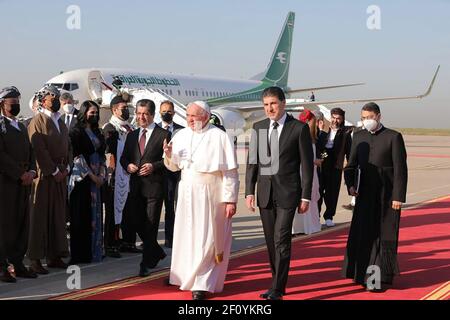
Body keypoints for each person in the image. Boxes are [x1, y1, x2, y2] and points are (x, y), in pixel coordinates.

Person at [163, 100, 239, 300]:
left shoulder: (220, 136)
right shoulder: (180, 135)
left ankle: (202, 283)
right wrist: (169, 156)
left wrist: (230, 200)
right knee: (186, 236)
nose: (189, 119)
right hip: (187, 191)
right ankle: (184, 276)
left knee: (207, 239)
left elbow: (230, 173)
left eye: (193, 116)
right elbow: (174, 167)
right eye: (187, 115)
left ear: (205, 116)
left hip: (210, 193)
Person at [245, 87, 314, 300]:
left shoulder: (298, 128)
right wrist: (249, 191)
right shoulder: (258, 127)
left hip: (288, 193)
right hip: (265, 193)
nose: (269, 108)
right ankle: (277, 281)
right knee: (270, 241)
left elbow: (307, 165)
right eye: (265, 105)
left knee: (281, 238)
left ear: (283, 103)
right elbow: (252, 163)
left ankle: (277, 287)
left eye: (273, 103)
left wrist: (305, 195)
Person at [342, 102, 407, 292]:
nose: (366, 121)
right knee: (364, 237)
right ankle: (360, 274)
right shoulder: (359, 136)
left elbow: (400, 170)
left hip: (387, 198)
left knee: (382, 237)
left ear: (378, 116)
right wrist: (351, 185)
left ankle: (376, 280)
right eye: (363, 117)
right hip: (364, 197)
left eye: (369, 117)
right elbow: (350, 165)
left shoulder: (393, 137)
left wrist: (398, 196)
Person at [120, 99, 170, 276]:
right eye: (138, 113)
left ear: (152, 115)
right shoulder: (132, 135)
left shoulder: (163, 134)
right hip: (136, 187)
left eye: (144, 114)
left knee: (151, 225)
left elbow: (169, 161)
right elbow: (124, 158)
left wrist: (154, 166)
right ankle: (156, 252)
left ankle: (146, 263)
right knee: (135, 221)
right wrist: (128, 166)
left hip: (154, 188)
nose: (141, 117)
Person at [27, 85, 70, 274]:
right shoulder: (37, 121)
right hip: (45, 176)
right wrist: (52, 171)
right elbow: (39, 149)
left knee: (58, 216)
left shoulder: (60, 122)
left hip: (60, 175)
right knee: (39, 217)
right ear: (43, 100)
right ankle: (35, 258)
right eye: (52, 96)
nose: (55, 99)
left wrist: (66, 167)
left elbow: (68, 146)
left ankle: (55, 255)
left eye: (57, 97)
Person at [0, 86, 37, 282]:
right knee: (6, 224)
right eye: (11, 103)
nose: (15, 106)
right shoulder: (1, 126)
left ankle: (18, 261)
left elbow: (30, 152)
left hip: (25, 181)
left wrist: (31, 171)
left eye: (17, 103)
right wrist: (19, 173)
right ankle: (2, 265)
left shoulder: (20, 126)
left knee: (22, 223)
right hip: (7, 182)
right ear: (3, 105)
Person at [68, 101, 106, 264]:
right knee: (81, 216)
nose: (94, 115)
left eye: (96, 112)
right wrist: (93, 176)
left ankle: (95, 251)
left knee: (96, 216)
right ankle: (81, 254)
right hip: (83, 180)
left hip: (97, 179)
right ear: (84, 113)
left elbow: (103, 155)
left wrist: (102, 175)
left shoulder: (98, 132)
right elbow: (76, 158)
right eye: (91, 112)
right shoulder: (76, 132)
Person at [102, 94, 133, 258]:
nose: (126, 110)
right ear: (114, 110)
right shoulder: (110, 128)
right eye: (123, 108)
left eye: (127, 107)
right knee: (113, 211)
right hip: (114, 176)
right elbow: (108, 153)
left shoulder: (129, 127)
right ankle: (110, 243)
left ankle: (125, 240)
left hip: (128, 175)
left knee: (127, 211)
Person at [317, 107, 352, 227]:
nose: (335, 121)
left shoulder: (345, 133)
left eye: (338, 119)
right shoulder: (323, 130)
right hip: (323, 162)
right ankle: (316, 216)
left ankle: (329, 216)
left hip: (336, 165)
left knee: (332, 193)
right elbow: (320, 147)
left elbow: (349, 152)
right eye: (333, 118)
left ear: (342, 120)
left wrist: (349, 166)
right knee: (319, 191)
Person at [157, 100, 184, 248]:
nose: (166, 114)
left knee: (171, 208)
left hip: (174, 175)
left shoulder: (181, 131)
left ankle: (171, 238)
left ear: (173, 113)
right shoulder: (155, 129)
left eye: (169, 111)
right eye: (163, 111)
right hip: (157, 174)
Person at [292, 110, 322, 235]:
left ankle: (309, 225)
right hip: (304, 171)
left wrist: (319, 159)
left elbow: (320, 151)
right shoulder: (303, 136)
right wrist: (314, 161)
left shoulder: (314, 136)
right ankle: (304, 226)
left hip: (312, 170)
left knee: (311, 196)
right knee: (306, 195)